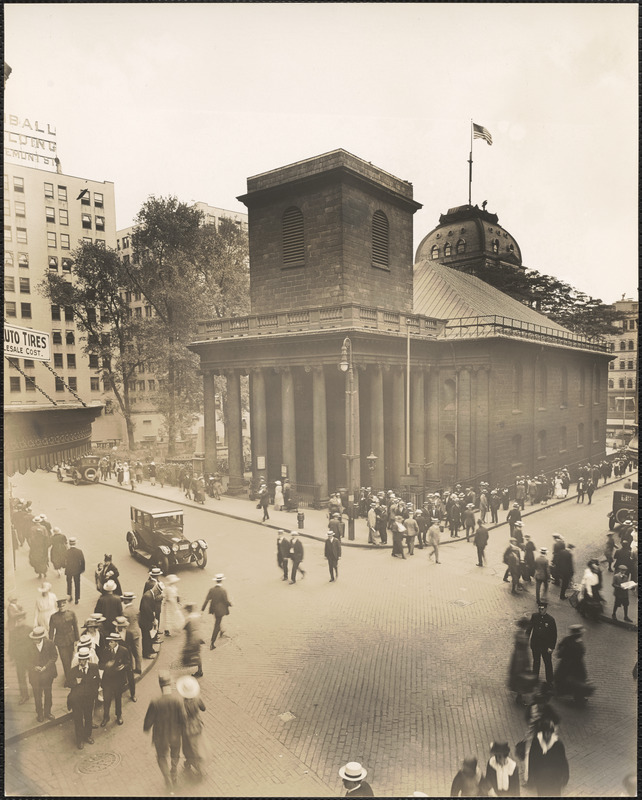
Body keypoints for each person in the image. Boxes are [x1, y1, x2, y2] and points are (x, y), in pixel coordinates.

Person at [143, 672, 186, 790]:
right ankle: (174, 771)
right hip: (175, 735)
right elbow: (183, 719)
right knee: (175, 755)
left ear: (160, 685)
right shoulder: (177, 701)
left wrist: (147, 728)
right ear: (170, 684)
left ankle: (167, 778)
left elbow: (147, 723)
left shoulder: (155, 702)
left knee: (161, 757)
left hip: (160, 737)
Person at [67, 647, 100, 750]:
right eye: (80, 659)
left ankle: (87, 736)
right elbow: (67, 683)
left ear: (87, 659)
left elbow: (97, 681)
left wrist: (94, 694)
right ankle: (79, 740)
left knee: (88, 717)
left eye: (83, 659)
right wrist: (75, 682)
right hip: (77, 700)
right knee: (78, 719)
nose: (81, 661)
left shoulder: (94, 667)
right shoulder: (73, 670)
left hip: (89, 699)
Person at [527, 717, 569, 796]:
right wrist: (531, 777)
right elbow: (531, 760)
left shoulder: (558, 744)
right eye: (544, 733)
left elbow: (563, 761)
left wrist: (565, 776)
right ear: (541, 733)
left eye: (549, 733)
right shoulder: (536, 742)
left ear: (551, 733)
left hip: (554, 780)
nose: (546, 735)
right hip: (541, 780)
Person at [554, 624, 593, 704]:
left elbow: (560, 647)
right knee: (578, 680)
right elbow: (581, 653)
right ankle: (578, 698)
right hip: (576, 665)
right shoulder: (577, 643)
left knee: (562, 677)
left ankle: (559, 691)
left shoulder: (567, 639)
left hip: (565, 664)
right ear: (578, 634)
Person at [177, 675, 206, 779]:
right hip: (198, 725)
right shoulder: (197, 698)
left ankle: (195, 766)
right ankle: (192, 762)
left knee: (188, 747)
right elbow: (203, 708)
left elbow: (183, 718)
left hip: (188, 728)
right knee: (197, 745)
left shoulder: (183, 704)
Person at [27, 626, 58, 723]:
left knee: (48, 694)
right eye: (33, 639)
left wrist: (45, 667)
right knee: (37, 695)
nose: (34, 641)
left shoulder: (50, 643)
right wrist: (33, 667)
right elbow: (25, 661)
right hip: (35, 676)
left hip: (48, 674)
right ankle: (39, 713)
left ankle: (47, 712)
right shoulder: (28, 646)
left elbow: (54, 657)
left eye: (36, 639)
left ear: (41, 638)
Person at [99, 632, 129, 726]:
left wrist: (123, 666)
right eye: (109, 642)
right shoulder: (105, 651)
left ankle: (119, 715)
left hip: (118, 680)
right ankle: (106, 717)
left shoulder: (124, 651)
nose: (109, 644)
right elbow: (100, 664)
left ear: (116, 642)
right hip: (107, 680)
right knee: (106, 699)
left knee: (118, 698)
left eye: (111, 642)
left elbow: (128, 663)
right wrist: (106, 665)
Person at [48, 597, 79, 688]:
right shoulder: (54, 617)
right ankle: (69, 680)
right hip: (60, 641)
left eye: (63, 605)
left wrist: (77, 639)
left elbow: (75, 627)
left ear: (66, 605)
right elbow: (51, 630)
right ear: (58, 607)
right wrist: (50, 643)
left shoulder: (71, 614)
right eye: (60, 606)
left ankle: (71, 677)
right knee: (65, 661)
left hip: (70, 640)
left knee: (71, 660)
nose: (62, 607)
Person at [508, 616, 537, 706]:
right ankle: (519, 698)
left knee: (518, 676)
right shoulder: (522, 636)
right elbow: (523, 650)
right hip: (521, 659)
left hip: (517, 657)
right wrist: (526, 663)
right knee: (521, 676)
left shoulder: (518, 633)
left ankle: (518, 695)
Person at [527, 601, 557, 686]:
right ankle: (534, 678)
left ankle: (550, 680)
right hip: (535, 645)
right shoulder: (535, 616)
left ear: (546, 609)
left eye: (542, 609)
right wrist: (526, 639)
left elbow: (553, 635)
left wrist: (551, 647)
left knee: (547, 663)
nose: (540, 610)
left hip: (545, 646)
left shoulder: (550, 620)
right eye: (539, 608)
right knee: (536, 662)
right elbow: (529, 628)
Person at [201, 573, 232, 648]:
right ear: (221, 581)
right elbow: (226, 601)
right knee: (217, 625)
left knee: (217, 620)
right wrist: (230, 604)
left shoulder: (211, 590)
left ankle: (221, 631)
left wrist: (202, 609)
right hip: (220, 610)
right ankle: (212, 642)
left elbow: (207, 600)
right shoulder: (223, 591)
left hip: (214, 609)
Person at [9, 607, 32, 704]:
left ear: (24, 619)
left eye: (21, 618)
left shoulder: (30, 629)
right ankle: (24, 695)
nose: (19, 620)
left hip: (30, 658)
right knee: (21, 678)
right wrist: (12, 658)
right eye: (17, 619)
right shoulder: (13, 632)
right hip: (19, 659)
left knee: (33, 676)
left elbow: (35, 644)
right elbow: (11, 645)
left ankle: (37, 690)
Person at [113, 616, 138, 703]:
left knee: (131, 677)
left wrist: (136, 657)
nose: (118, 628)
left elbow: (133, 647)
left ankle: (133, 694)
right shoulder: (114, 634)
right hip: (118, 659)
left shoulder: (129, 634)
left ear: (124, 626)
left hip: (128, 659)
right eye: (118, 626)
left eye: (120, 626)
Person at [121, 591, 142, 674]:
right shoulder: (136, 609)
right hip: (136, 631)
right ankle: (139, 667)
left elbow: (124, 624)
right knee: (137, 650)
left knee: (129, 651)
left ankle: (131, 667)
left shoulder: (125, 612)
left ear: (126, 600)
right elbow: (139, 619)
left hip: (129, 633)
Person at [182, 602, 204, 678]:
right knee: (197, 653)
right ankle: (200, 670)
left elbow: (185, 627)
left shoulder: (189, 618)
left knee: (193, 653)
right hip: (198, 635)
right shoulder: (197, 615)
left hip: (192, 637)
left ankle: (197, 669)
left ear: (189, 609)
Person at [140, 585, 160, 659]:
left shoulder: (149, 595)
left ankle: (150, 649)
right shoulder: (148, 596)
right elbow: (147, 610)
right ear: (156, 591)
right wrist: (153, 619)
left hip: (147, 620)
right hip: (145, 621)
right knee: (146, 638)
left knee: (149, 637)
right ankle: (146, 653)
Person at [65, 537, 85, 604]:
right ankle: (77, 598)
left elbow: (64, 561)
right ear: (75, 543)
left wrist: (66, 566)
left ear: (69, 543)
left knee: (69, 583)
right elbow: (82, 561)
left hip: (69, 570)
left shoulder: (67, 552)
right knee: (77, 584)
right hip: (77, 570)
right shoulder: (79, 551)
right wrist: (82, 569)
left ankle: (70, 595)